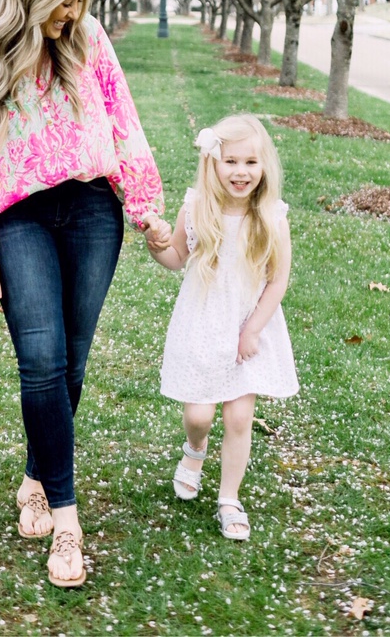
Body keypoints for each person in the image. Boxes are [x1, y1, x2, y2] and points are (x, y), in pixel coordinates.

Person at [0, 0, 166, 587]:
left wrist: (144, 205)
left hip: (94, 211)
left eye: (79, 2)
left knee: (73, 357)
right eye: (63, 3)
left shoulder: (89, 41)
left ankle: (37, 476)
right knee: (40, 356)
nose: (72, 14)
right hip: (20, 219)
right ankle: (67, 520)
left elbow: (125, 122)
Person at [142, 114, 298, 541]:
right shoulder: (196, 208)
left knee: (240, 416)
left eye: (251, 162)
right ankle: (194, 450)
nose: (241, 172)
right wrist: (157, 247)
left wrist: (253, 330)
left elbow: (277, 280)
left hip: (247, 325)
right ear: (213, 163)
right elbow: (177, 256)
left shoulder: (271, 216)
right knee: (198, 414)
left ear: (264, 166)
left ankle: (229, 498)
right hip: (203, 321)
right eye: (231, 161)